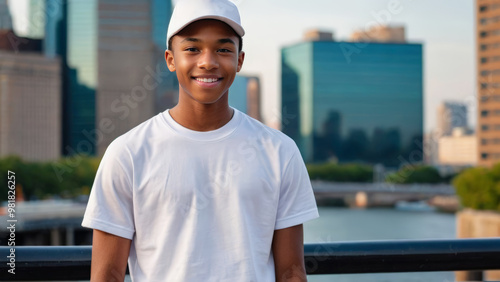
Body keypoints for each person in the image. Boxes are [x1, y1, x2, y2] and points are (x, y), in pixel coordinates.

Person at [82, 0, 319, 281]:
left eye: (223, 49)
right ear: (170, 60)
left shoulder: (280, 151)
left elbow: (292, 272)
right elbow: (107, 274)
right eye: (192, 49)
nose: (208, 62)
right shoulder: (127, 153)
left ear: (239, 61)